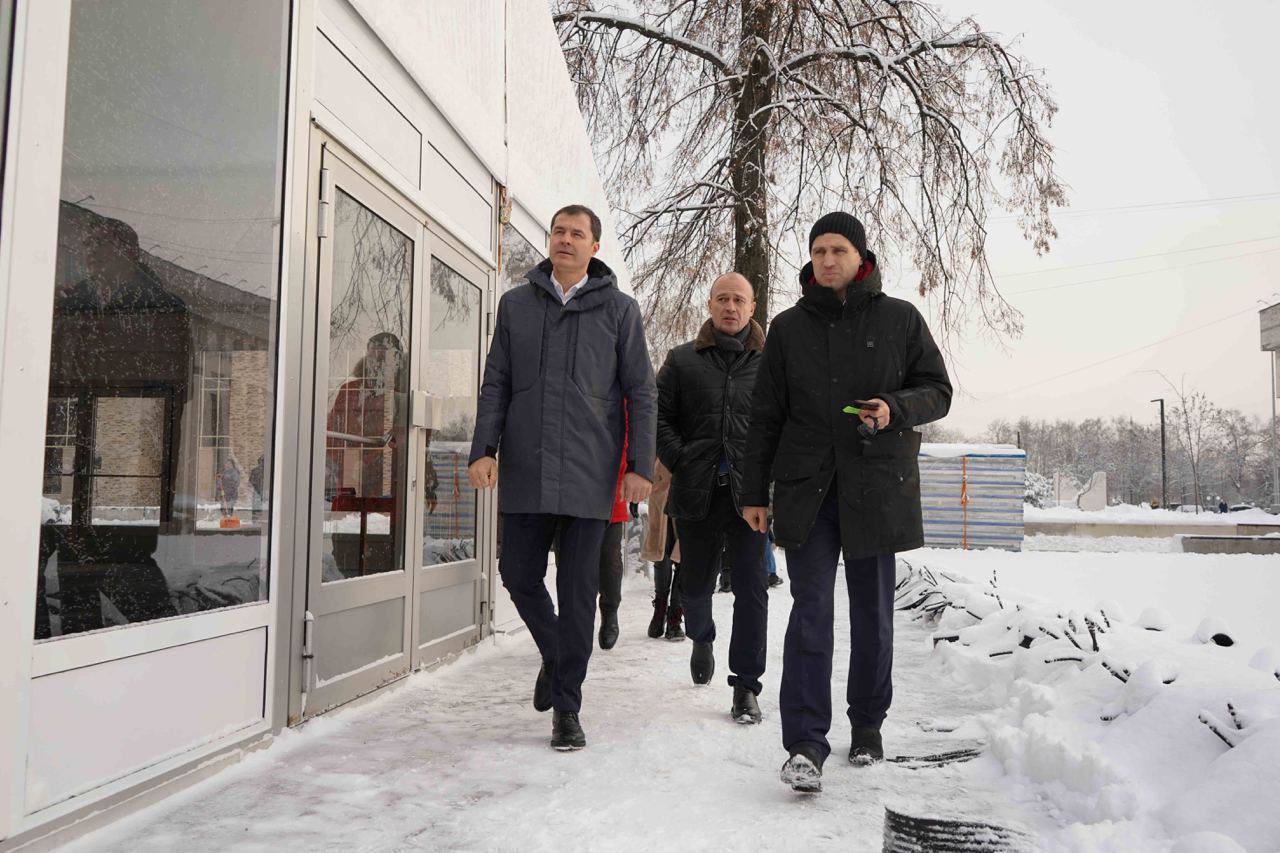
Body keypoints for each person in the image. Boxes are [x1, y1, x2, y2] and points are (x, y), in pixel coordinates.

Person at [741, 212, 952, 793]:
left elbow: (938, 391)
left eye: (837, 250)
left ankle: (867, 726)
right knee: (810, 613)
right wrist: (754, 493)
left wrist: (894, 408)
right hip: (807, 490)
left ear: (862, 257)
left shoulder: (900, 319)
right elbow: (765, 417)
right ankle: (806, 743)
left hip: (876, 488)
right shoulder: (788, 328)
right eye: (818, 251)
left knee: (872, 615)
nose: (827, 260)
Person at [468, 204, 656, 751]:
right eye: (558, 231)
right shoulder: (516, 305)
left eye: (577, 234)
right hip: (527, 466)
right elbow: (496, 383)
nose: (565, 240)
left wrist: (640, 467)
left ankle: (567, 708)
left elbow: (642, 392)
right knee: (517, 573)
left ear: (595, 247)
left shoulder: (620, 311)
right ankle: (555, 655)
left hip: (589, 473)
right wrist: (484, 449)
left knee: (578, 594)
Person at [656, 272, 769, 724]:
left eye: (739, 300)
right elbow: (658, 416)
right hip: (695, 492)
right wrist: (681, 458)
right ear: (709, 304)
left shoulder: (771, 363)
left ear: (752, 308)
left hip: (751, 497)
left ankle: (746, 686)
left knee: (752, 590)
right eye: (722, 298)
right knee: (696, 587)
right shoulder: (682, 360)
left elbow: (785, 423)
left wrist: (770, 481)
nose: (730, 307)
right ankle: (701, 635)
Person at [640, 460, 685, 641]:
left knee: (684, 555)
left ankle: (673, 615)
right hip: (663, 482)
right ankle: (661, 611)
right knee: (662, 551)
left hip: (691, 486)